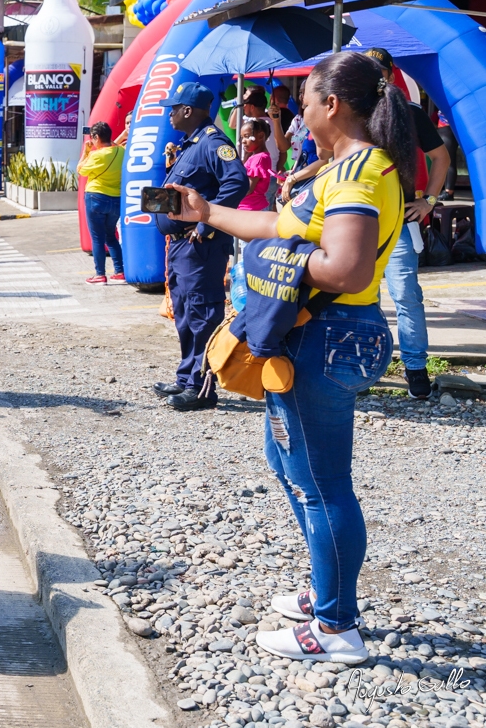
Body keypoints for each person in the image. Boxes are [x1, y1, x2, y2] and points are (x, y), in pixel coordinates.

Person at [166, 51, 411, 664]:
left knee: (323, 485)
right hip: (312, 333)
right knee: (288, 462)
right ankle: (326, 595)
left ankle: (335, 629)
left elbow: (346, 266)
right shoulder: (340, 167)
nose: (296, 110)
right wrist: (205, 213)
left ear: (332, 105)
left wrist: (278, 264)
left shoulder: (358, 175)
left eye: (304, 99)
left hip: (325, 335)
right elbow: (279, 230)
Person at [153, 83, 249, 411]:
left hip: (200, 248)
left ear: (189, 110)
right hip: (181, 248)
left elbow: (237, 181)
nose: (170, 113)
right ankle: (186, 377)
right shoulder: (189, 145)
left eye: (174, 107)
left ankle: (201, 388)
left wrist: (208, 223)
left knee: (201, 314)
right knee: (184, 314)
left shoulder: (213, 142)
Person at [365, 48, 452, 400]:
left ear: (390, 73)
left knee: (405, 296)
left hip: (400, 219)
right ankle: (365, 367)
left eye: (378, 71)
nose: (373, 78)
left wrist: (428, 201)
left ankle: (415, 369)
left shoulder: (410, 111)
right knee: (361, 296)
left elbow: (440, 157)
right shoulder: (350, 110)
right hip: (359, 219)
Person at [77, 122, 124, 283]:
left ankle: (100, 274)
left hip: (96, 198)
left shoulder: (96, 155)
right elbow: (115, 146)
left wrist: (86, 151)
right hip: (116, 200)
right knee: (111, 236)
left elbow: (81, 169)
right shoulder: (121, 151)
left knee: (97, 238)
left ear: (96, 137)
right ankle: (119, 271)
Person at [239, 118, 275, 211]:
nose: (243, 141)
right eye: (242, 137)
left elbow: (248, 189)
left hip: (252, 209)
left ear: (260, 136)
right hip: (250, 207)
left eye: (247, 136)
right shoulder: (255, 157)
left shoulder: (259, 159)